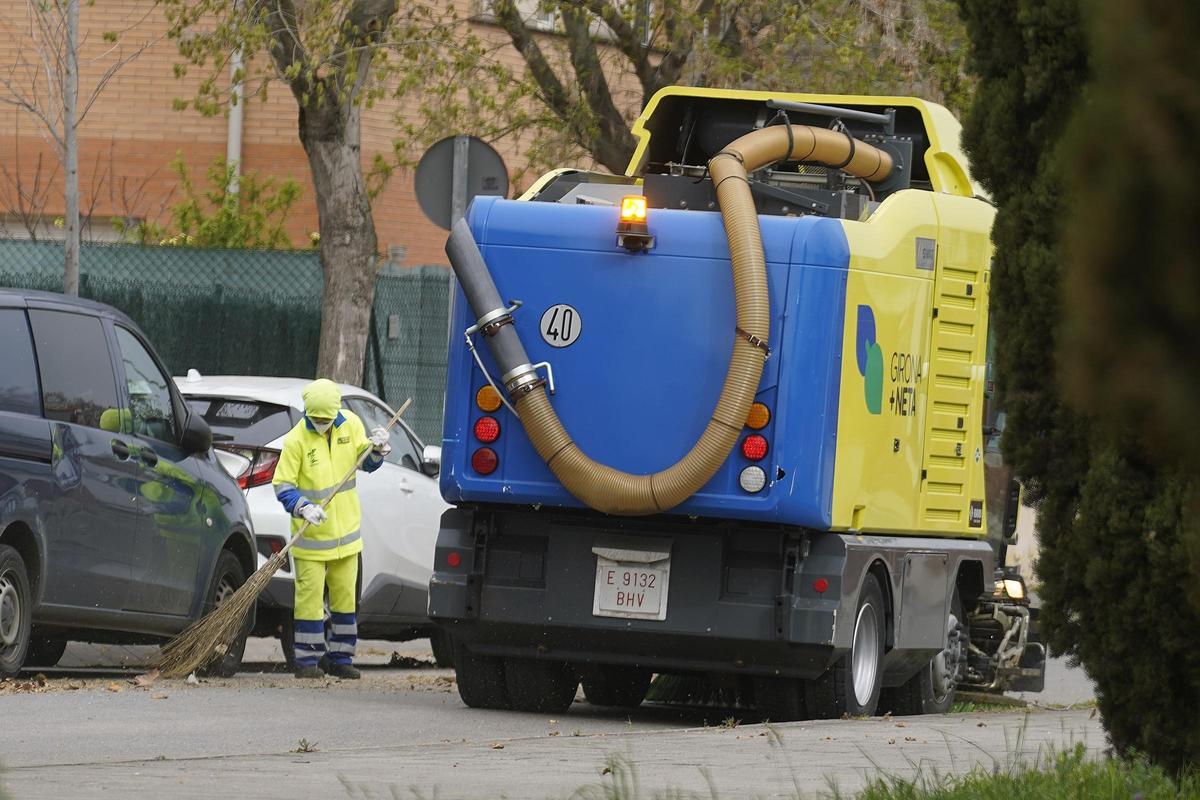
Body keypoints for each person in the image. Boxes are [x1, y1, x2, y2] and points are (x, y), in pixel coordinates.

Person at [272, 379, 391, 679]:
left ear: (336, 412)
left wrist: (377, 450)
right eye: (317, 420)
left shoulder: (350, 424)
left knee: (344, 601)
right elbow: (282, 484)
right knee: (309, 602)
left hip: (347, 537)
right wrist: (302, 506)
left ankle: (340, 659)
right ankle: (308, 662)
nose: (323, 424)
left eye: (327, 419)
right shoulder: (296, 440)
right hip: (311, 540)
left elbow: (367, 464)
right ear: (308, 414)